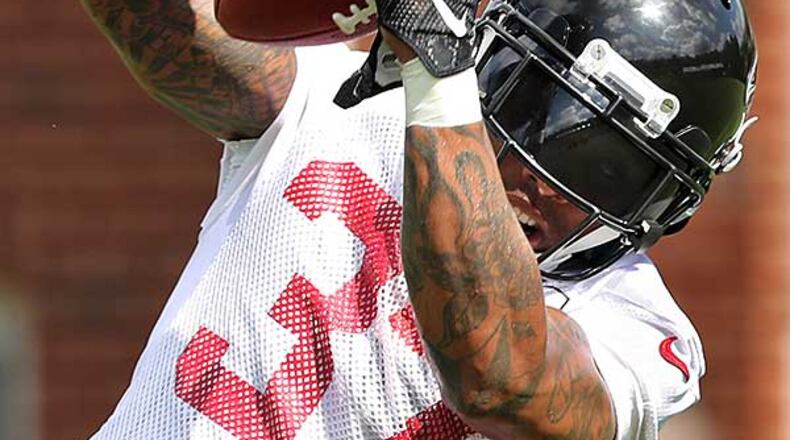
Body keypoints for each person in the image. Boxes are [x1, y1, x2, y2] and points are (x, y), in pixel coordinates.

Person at [79, 0, 756, 439]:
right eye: (540, 112)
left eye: (609, 167)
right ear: (500, 64)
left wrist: (436, 67)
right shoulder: (342, 105)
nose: (545, 182)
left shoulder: (639, 329)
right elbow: (160, 25)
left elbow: (500, 381)